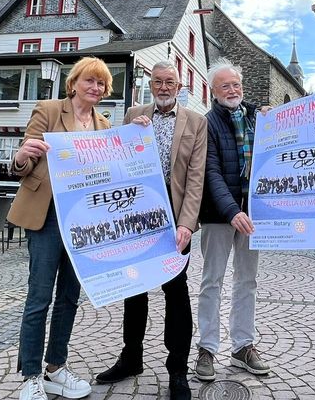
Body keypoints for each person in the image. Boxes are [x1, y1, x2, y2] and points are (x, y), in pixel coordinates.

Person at [95, 61, 207, 400]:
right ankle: (132, 357)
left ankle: (177, 370)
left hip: (174, 223)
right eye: (157, 81)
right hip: (137, 219)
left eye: (169, 82)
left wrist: (187, 224)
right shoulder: (133, 114)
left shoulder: (196, 122)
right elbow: (115, 161)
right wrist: (129, 134)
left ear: (178, 85)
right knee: (134, 289)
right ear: (150, 83)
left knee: (176, 292)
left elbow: (196, 178)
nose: (163, 87)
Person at [8, 57, 114, 400]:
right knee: (39, 295)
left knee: (69, 297)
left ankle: (55, 367)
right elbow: (23, 165)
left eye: (101, 83)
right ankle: (31, 375)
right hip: (48, 215)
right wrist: (23, 154)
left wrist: (139, 129)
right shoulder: (50, 110)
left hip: (83, 221)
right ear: (74, 83)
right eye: (89, 81)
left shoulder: (104, 126)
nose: (94, 88)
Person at [195, 58, 270, 382]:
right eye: (225, 85)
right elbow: (210, 172)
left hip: (253, 213)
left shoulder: (260, 118)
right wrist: (231, 211)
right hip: (218, 214)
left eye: (236, 84)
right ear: (214, 90)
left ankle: (243, 346)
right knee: (211, 281)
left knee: (247, 282)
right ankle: (207, 348)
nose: (232, 90)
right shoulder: (207, 123)